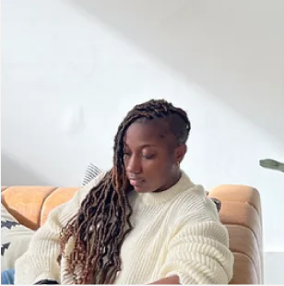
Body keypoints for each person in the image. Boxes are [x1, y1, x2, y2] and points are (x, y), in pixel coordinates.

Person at [7, 99, 234, 285]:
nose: (132, 167)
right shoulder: (107, 185)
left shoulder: (193, 210)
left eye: (147, 155)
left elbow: (199, 274)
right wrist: (43, 280)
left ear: (178, 154)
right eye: (126, 153)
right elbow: (52, 234)